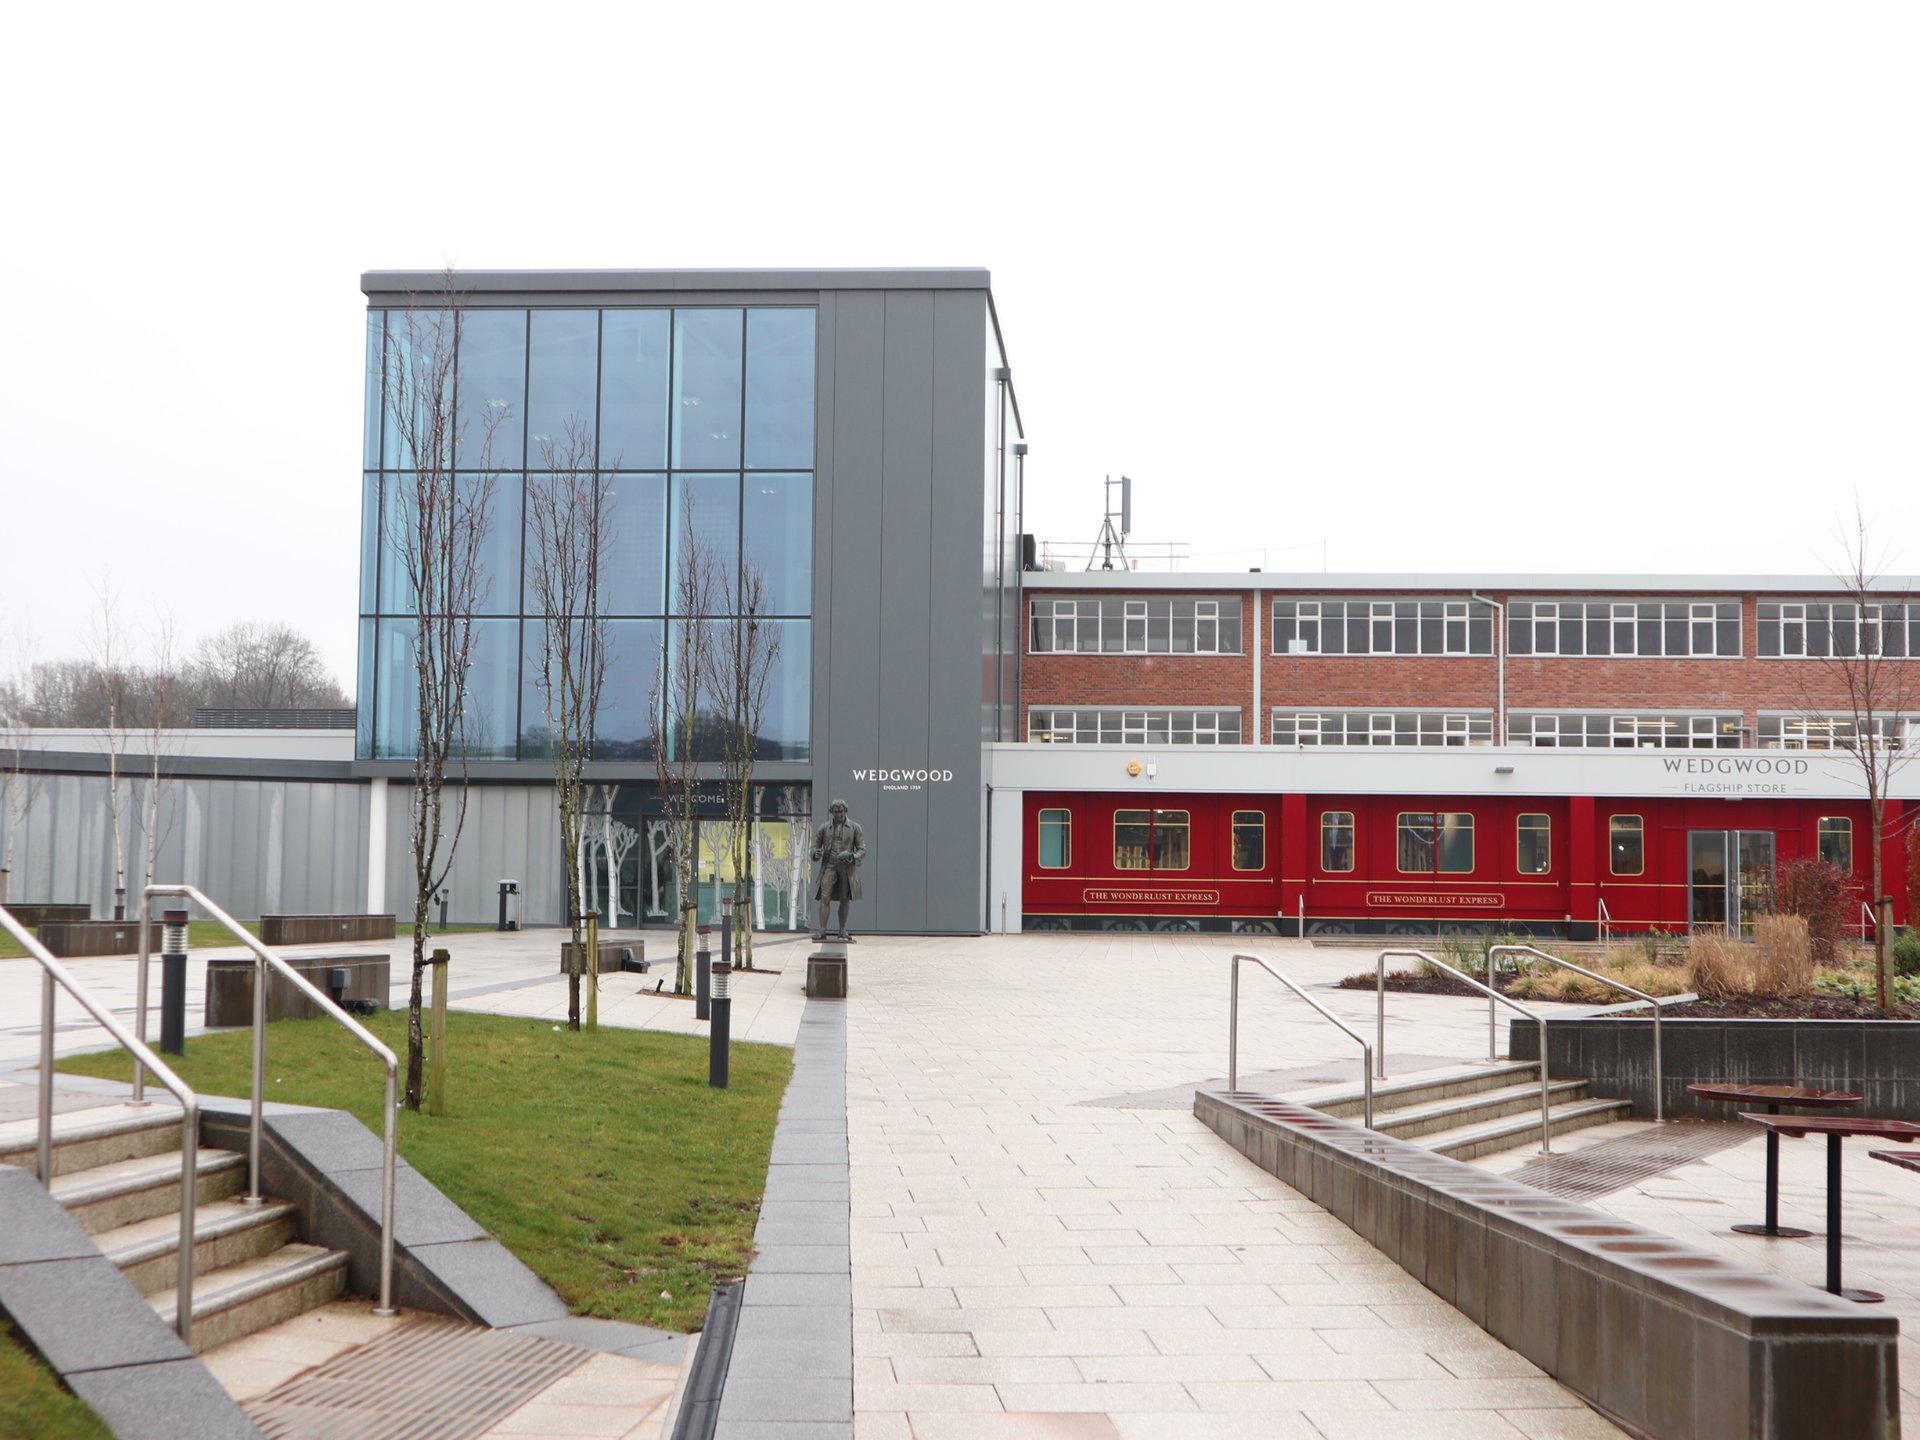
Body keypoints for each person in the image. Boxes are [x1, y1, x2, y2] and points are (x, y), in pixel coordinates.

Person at [812, 799, 865, 938]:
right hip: (829, 866)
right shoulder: (824, 828)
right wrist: (815, 853)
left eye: (841, 811)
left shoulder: (855, 827)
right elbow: (814, 846)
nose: (839, 815)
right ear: (832, 812)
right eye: (836, 812)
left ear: (845, 811)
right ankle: (822, 930)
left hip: (846, 869)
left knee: (845, 898)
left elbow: (862, 850)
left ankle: (842, 930)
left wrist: (852, 855)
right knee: (825, 898)